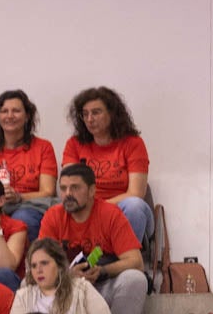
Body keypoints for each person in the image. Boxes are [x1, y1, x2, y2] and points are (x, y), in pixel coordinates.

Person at [36, 163, 149, 314]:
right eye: (63, 188)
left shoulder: (110, 213)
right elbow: (39, 263)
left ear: (91, 191)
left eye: (75, 187)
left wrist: (103, 271)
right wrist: (67, 275)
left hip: (102, 285)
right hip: (66, 288)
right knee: (29, 284)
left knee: (135, 279)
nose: (67, 194)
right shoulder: (53, 216)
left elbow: (136, 262)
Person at [62, 86, 154, 243]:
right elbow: (69, 185)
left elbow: (136, 193)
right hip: (86, 212)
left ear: (112, 114)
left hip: (122, 210)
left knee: (134, 206)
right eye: (85, 114)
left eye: (96, 112)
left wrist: (99, 207)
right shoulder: (74, 144)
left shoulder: (133, 143)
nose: (90, 119)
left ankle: (126, 259)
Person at [10, 237, 121, 314]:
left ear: (59, 265)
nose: (38, 270)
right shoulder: (22, 297)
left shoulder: (82, 289)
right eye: (34, 266)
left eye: (44, 263)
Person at [0, 88, 59, 232]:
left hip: (28, 207)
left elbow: (48, 191)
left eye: (16, 111)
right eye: (4, 111)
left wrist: (18, 197)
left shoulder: (43, 147)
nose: (10, 116)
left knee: (21, 219)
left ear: (27, 116)